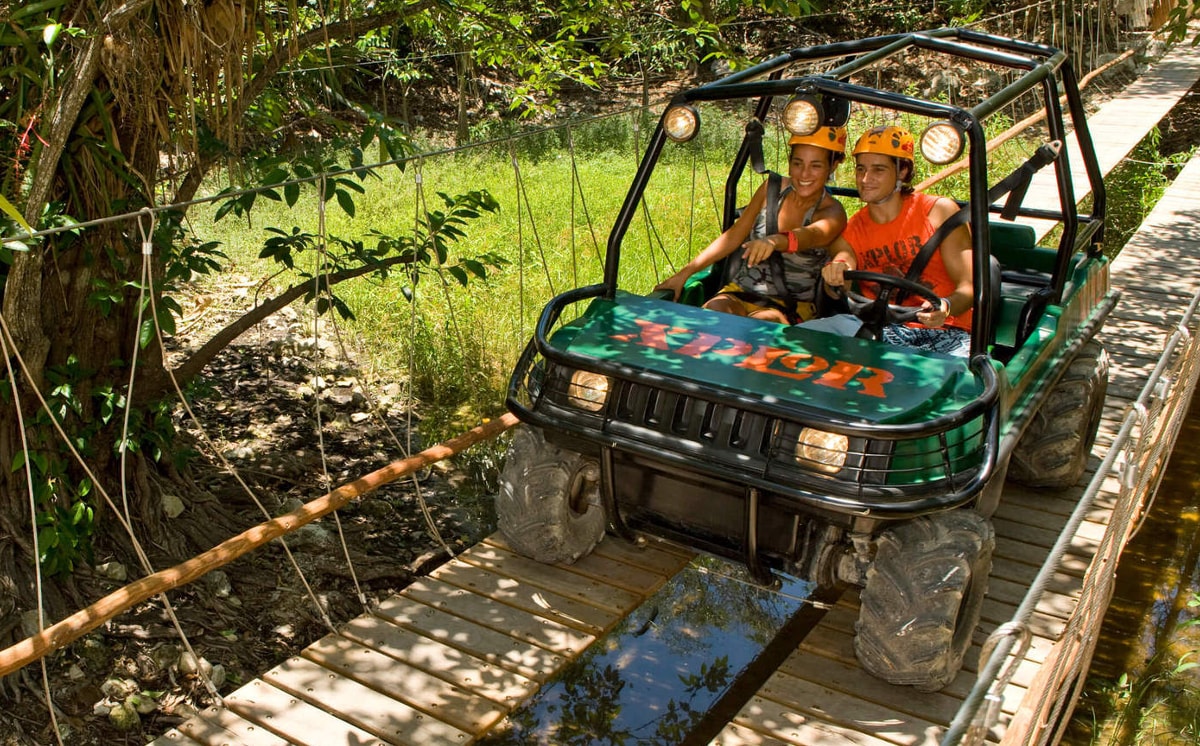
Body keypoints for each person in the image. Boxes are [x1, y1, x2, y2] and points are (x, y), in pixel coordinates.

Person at [655, 127, 849, 324]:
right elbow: (734, 236)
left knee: (763, 325)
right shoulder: (771, 189)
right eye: (797, 163)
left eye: (815, 166)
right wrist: (684, 273)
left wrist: (774, 241)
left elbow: (811, 235)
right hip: (741, 291)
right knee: (713, 313)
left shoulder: (832, 212)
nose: (804, 174)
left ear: (832, 166)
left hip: (789, 305)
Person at [815, 125, 973, 356]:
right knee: (800, 339)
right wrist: (836, 273)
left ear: (902, 172)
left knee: (958, 381)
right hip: (880, 328)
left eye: (878, 170)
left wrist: (945, 307)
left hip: (947, 330)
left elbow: (969, 288)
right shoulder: (853, 228)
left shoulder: (938, 213)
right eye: (861, 169)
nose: (865, 179)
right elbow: (842, 264)